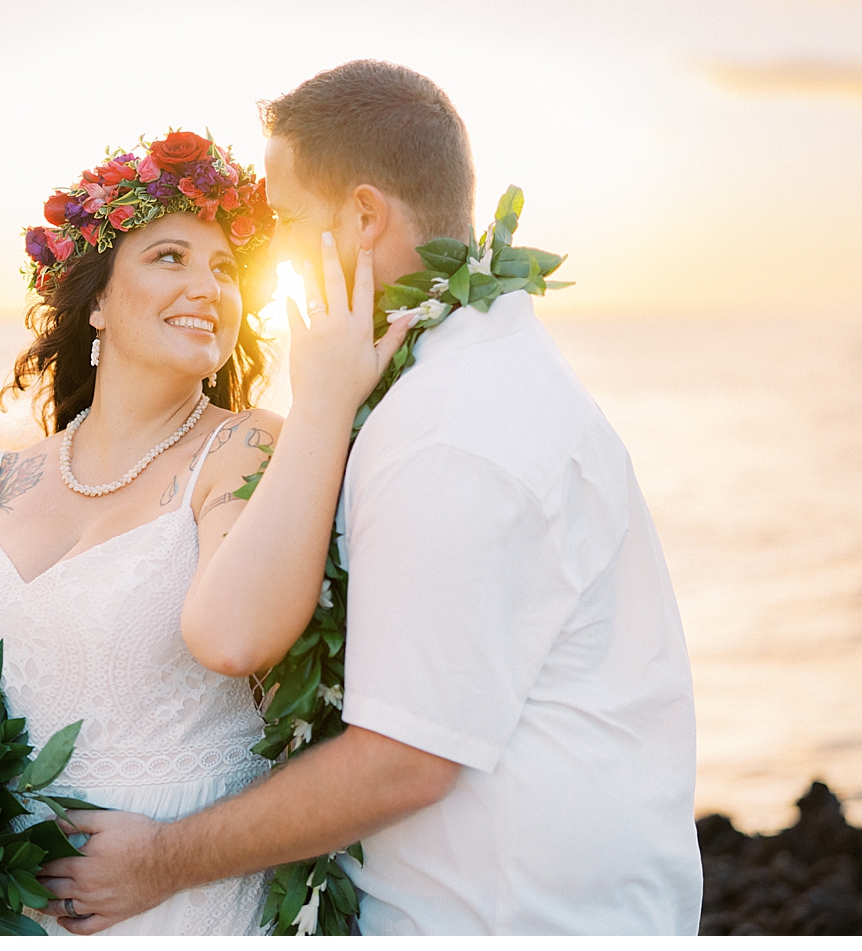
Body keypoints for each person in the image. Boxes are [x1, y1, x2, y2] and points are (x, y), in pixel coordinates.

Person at [36, 61, 704, 935]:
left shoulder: (450, 430)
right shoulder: (448, 380)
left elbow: (403, 761)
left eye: (281, 223)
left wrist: (159, 861)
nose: (266, 255)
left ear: (361, 216)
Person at [0, 129, 413, 935]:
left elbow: (238, 637)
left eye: (226, 268)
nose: (208, 286)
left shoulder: (249, 447)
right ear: (95, 298)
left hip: (173, 905)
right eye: (169, 258)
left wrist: (325, 403)